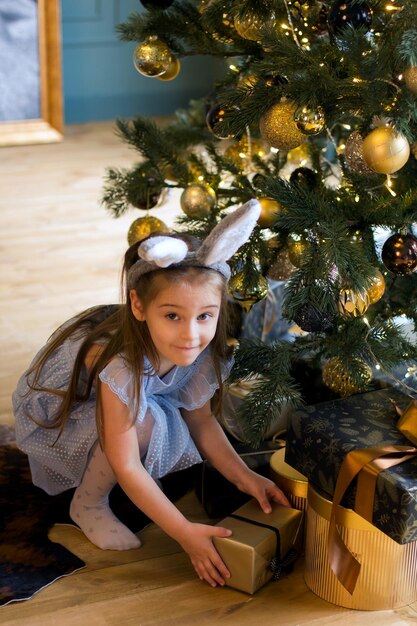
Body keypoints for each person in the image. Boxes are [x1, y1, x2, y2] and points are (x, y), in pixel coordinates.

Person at [12, 199, 290, 588]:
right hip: (80, 407)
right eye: (172, 316)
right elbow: (126, 464)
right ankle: (87, 503)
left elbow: (201, 420)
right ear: (140, 306)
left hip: (138, 396)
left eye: (204, 316)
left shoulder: (199, 350)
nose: (191, 334)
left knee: (153, 418)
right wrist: (183, 531)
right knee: (140, 424)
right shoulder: (122, 366)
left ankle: (136, 477)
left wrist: (246, 478)